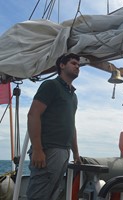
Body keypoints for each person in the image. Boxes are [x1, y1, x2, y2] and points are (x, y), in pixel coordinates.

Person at [26, 53, 82, 200]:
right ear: (62, 66)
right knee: (39, 193)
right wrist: (37, 150)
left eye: (78, 64)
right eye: (73, 63)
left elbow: (71, 125)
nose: (77, 66)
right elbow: (33, 114)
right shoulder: (51, 85)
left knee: (53, 193)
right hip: (48, 150)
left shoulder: (73, 95)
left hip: (64, 151)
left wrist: (76, 154)